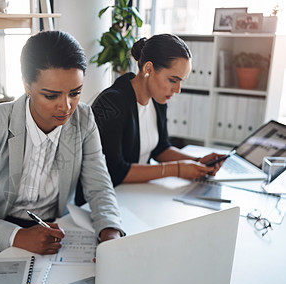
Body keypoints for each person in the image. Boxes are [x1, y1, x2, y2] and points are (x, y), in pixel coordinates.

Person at [0, 30, 124, 259]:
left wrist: (110, 233)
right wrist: (18, 236)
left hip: (51, 230)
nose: (66, 106)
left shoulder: (84, 119)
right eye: (51, 96)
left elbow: (99, 187)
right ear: (27, 86)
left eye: (75, 93)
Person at [90, 34, 227, 186]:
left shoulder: (157, 100)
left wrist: (198, 162)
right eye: (173, 80)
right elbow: (115, 171)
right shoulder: (112, 103)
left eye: (181, 81)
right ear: (148, 69)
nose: (177, 89)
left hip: (136, 192)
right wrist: (178, 169)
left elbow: (161, 149)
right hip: (107, 197)